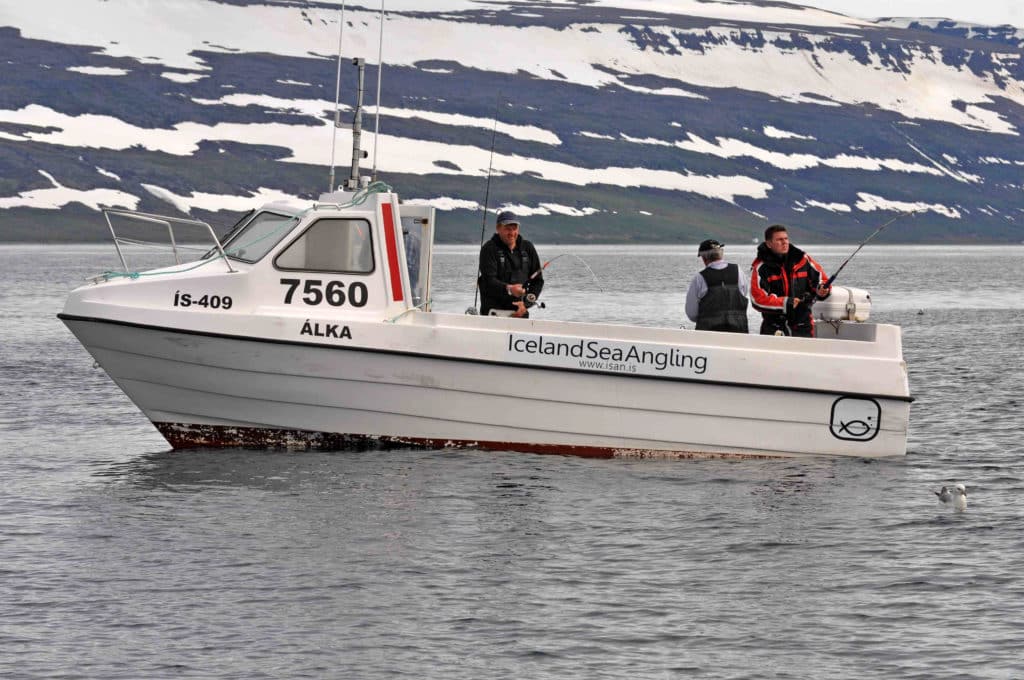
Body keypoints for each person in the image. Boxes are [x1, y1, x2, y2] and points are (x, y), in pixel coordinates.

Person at [750, 224, 831, 337]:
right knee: (775, 355)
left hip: (803, 324)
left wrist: (822, 289)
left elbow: (821, 279)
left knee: (804, 354)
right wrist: (785, 303)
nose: (784, 242)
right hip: (774, 327)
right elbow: (757, 299)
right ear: (769, 244)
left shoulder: (803, 259)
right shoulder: (761, 268)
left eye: (786, 238)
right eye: (779, 239)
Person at [478, 210, 544, 317]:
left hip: (521, 313)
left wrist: (526, 304)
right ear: (498, 228)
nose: (512, 233)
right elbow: (489, 281)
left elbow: (538, 281)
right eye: (508, 229)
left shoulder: (528, 248)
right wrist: (509, 289)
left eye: (515, 228)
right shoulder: (489, 249)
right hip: (493, 314)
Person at [684, 239, 749, 333]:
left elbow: (692, 314)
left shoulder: (699, 278)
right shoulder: (738, 270)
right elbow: (743, 294)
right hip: (738, 331)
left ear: (703, 257)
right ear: (720, 253)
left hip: (708, 334)